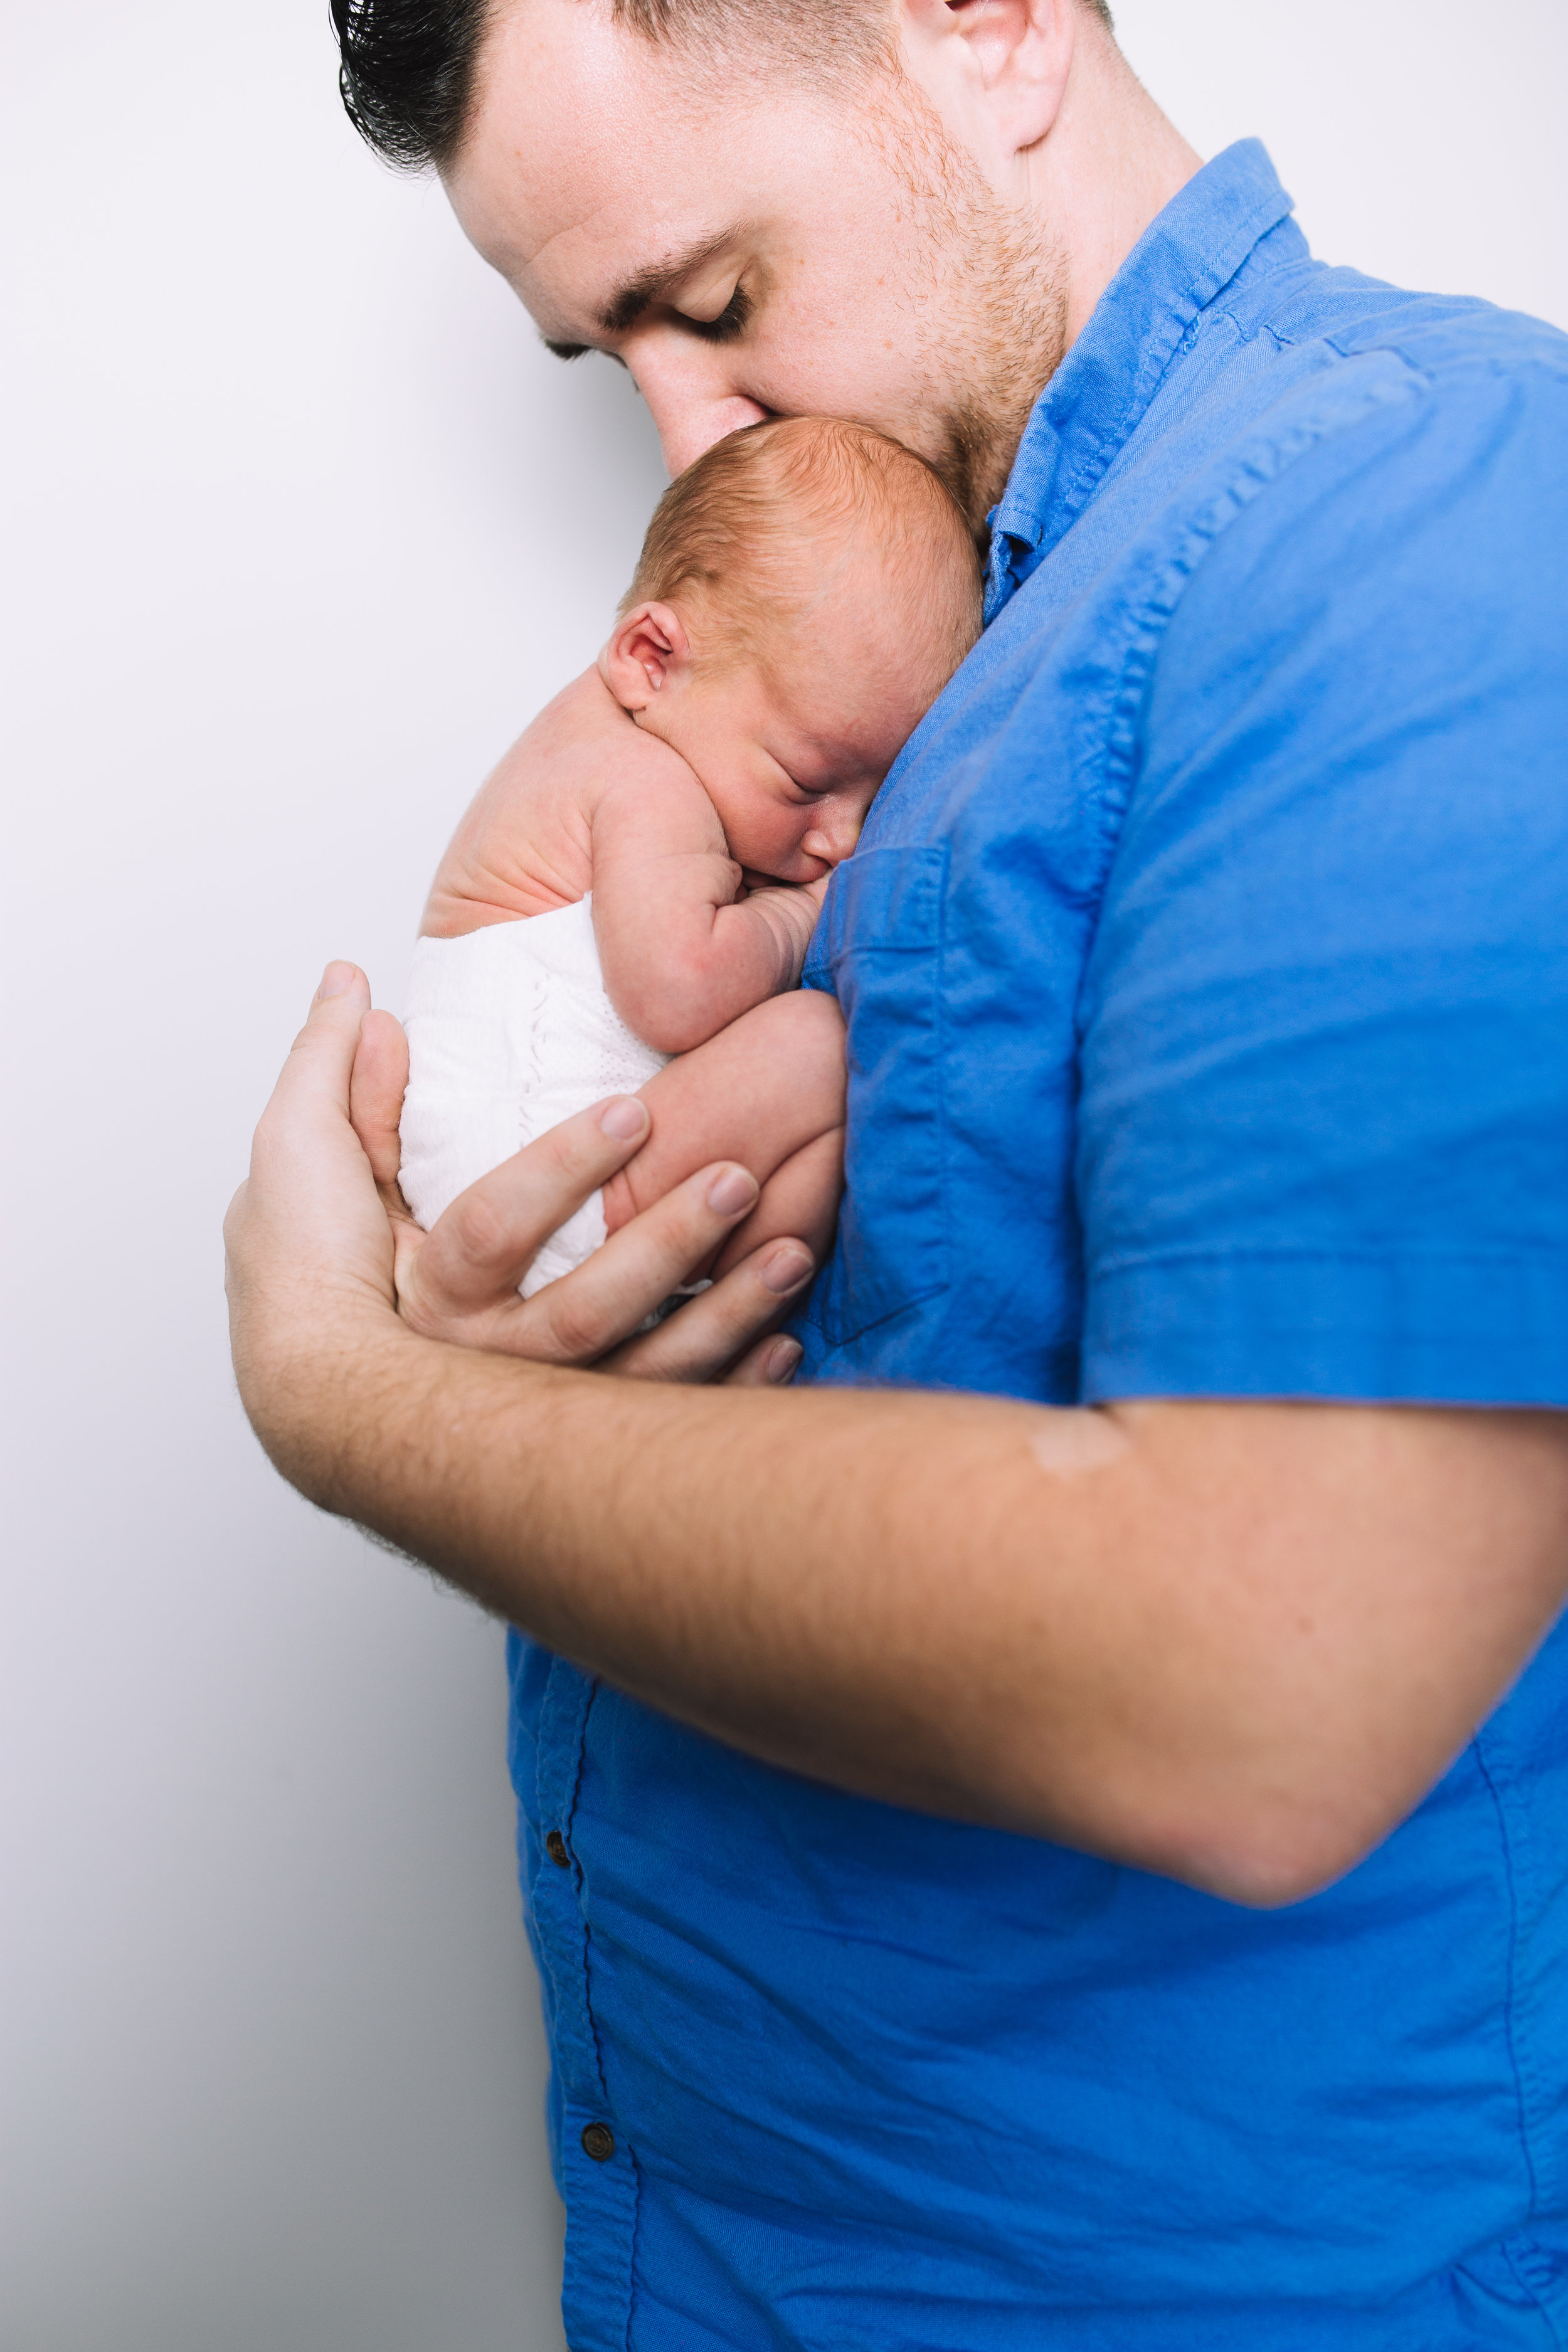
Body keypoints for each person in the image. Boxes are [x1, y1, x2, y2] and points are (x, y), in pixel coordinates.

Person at [225, 0, 1568, 2341]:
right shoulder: (907, 639)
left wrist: (351, 1394)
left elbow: (1266, 1679)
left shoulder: (1412, 515)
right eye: (602, 359)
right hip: (713, 2238)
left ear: (987, 27)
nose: (684, 428)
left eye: (713, 301)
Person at [393, 414, 980, 1301]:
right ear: (652, 658)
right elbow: (677, 990)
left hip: (511, 1168)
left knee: (815, 1111)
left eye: (876, 793)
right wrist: (796, 915)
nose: (845, 839)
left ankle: (731, 1292)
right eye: (805, 779)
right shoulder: (640, 779)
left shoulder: (644, 731)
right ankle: (704, 1273)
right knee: (814, 1044)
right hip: (536, 1167)